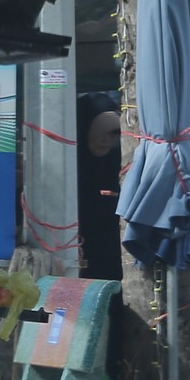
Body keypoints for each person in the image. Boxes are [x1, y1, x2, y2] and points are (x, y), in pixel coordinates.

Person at [76, 97, 124, 280]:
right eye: (100, 132)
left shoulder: (120, 162)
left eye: (114, 134)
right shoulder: (69, 164)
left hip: (114, 262)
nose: (106, 140)